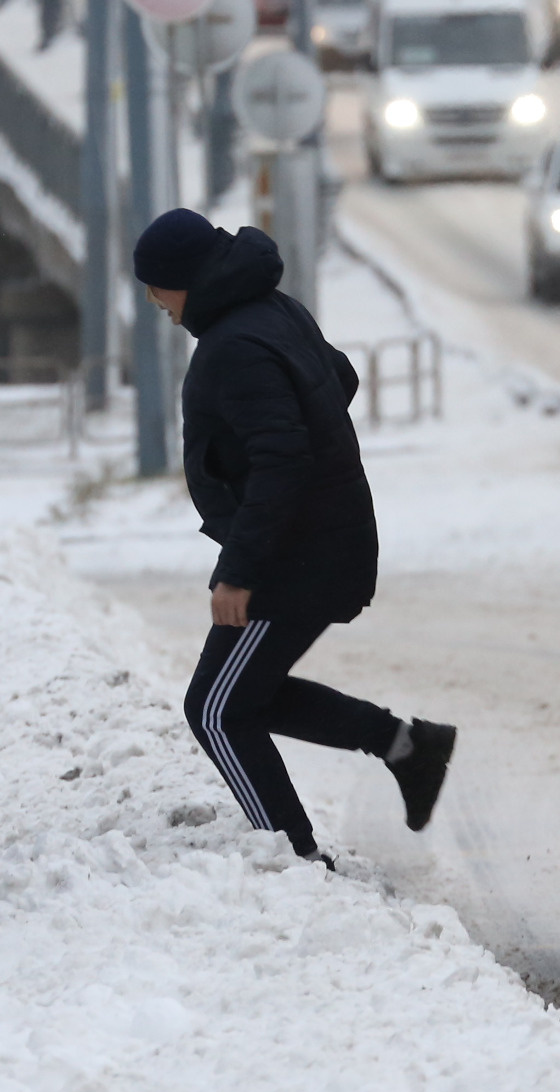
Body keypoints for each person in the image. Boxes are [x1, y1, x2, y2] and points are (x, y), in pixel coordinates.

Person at [133, 207, 455, 861]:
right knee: (246, 698)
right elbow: (338, 378)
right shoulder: (273, 311)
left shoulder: (232, 346)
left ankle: (293, 858)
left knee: (218, 712)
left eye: (156, 286)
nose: (153, 302)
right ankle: (406, 746)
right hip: (318, 547)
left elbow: (281, 458)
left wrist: (240, 571)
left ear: (184, 280)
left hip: (290, 562)